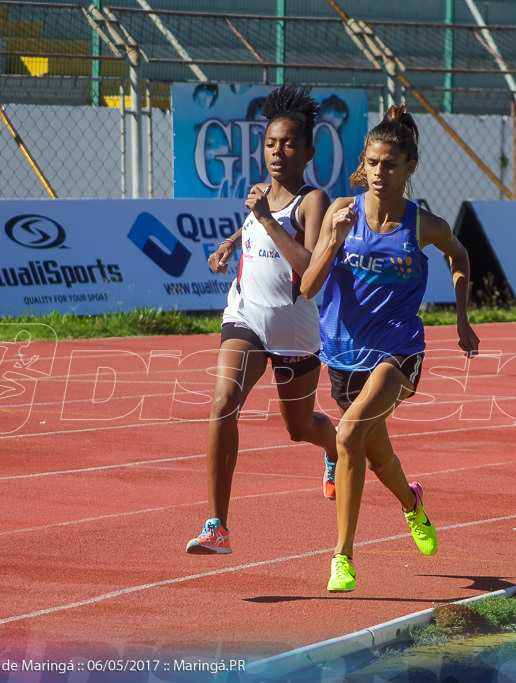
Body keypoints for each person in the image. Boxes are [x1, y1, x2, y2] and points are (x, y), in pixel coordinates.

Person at [301, 105, 480, 591]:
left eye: (392, 165)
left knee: (346, 435)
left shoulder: (423, 224)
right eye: (374, 163)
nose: (380, 173)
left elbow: (459, 254)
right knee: (377, 458)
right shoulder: (341, 212)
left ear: (410, 169)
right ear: (365, 161)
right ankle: (412, 503)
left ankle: (342, 557)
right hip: (342, 352)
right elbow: (309, 287)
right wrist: (332, 242)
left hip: (399, 351)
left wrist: (462, 317)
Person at [186, 85, 339, 554]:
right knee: (223, 400)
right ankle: (217, 525)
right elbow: (254, 223)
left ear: (309, 150)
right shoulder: (258, 196)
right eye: (271, 143)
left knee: (299, 428)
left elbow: (310, 265)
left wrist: (267, 220)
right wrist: (231, 243)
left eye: (289, 143)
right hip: (245, 315)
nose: (278, 151)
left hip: (294, 328)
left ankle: (333, 447)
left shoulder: (315, 201)